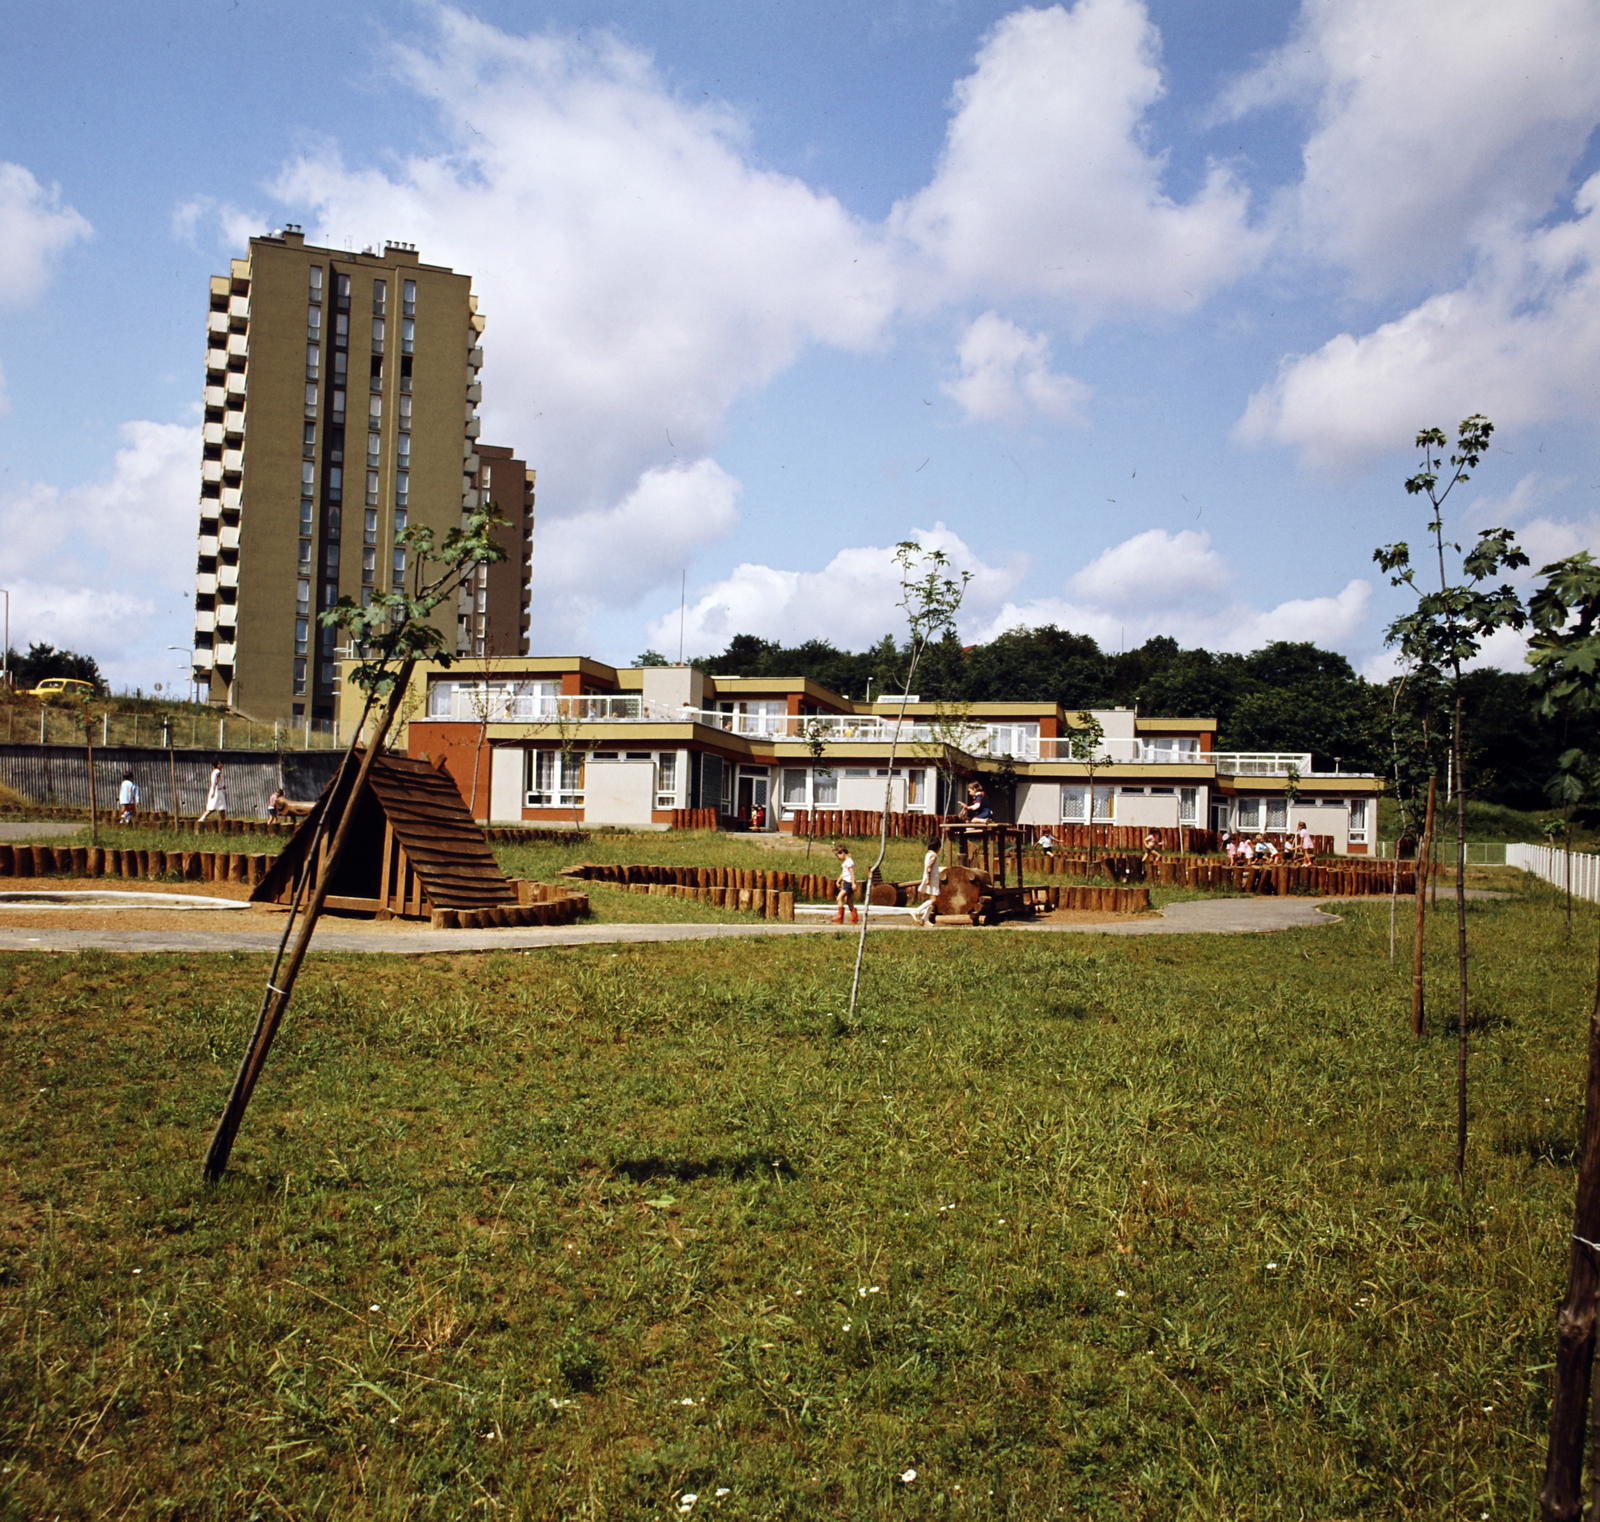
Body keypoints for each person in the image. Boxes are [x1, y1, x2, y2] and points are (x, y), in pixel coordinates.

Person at [910, 834, 942, 927]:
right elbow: (929, 867)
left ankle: (925, 918)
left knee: (933, 900)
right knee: (934, 900)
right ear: (937, 848)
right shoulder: (933, 856)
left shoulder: (928, 854)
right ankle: (917, 911)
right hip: (932, 880)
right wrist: (928, 878)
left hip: (933, 880)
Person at [832, 842, 858, 924]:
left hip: (848, 883)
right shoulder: (846, 862)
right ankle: (854, 916)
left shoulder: (848, 861)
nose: (838, 858)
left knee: (839, 898)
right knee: (848, 900)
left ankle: (840, 916)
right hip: (846, 882)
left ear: (842, 853)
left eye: (838, 856)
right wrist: (838, 880)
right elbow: (844, 873)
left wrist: (853, 883)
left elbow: (851, 872)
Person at [197, 759, 227, 827]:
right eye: (219, 764)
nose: (221, 765)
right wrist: (214, 791)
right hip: (217, 791)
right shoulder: (217, 772)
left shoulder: (214, 772)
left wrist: (222, 786)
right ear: (216, 765)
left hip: (217, 790)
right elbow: (215, 782)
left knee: (221, 808)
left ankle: (223, 821)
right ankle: (202, 819)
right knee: (213, 807)